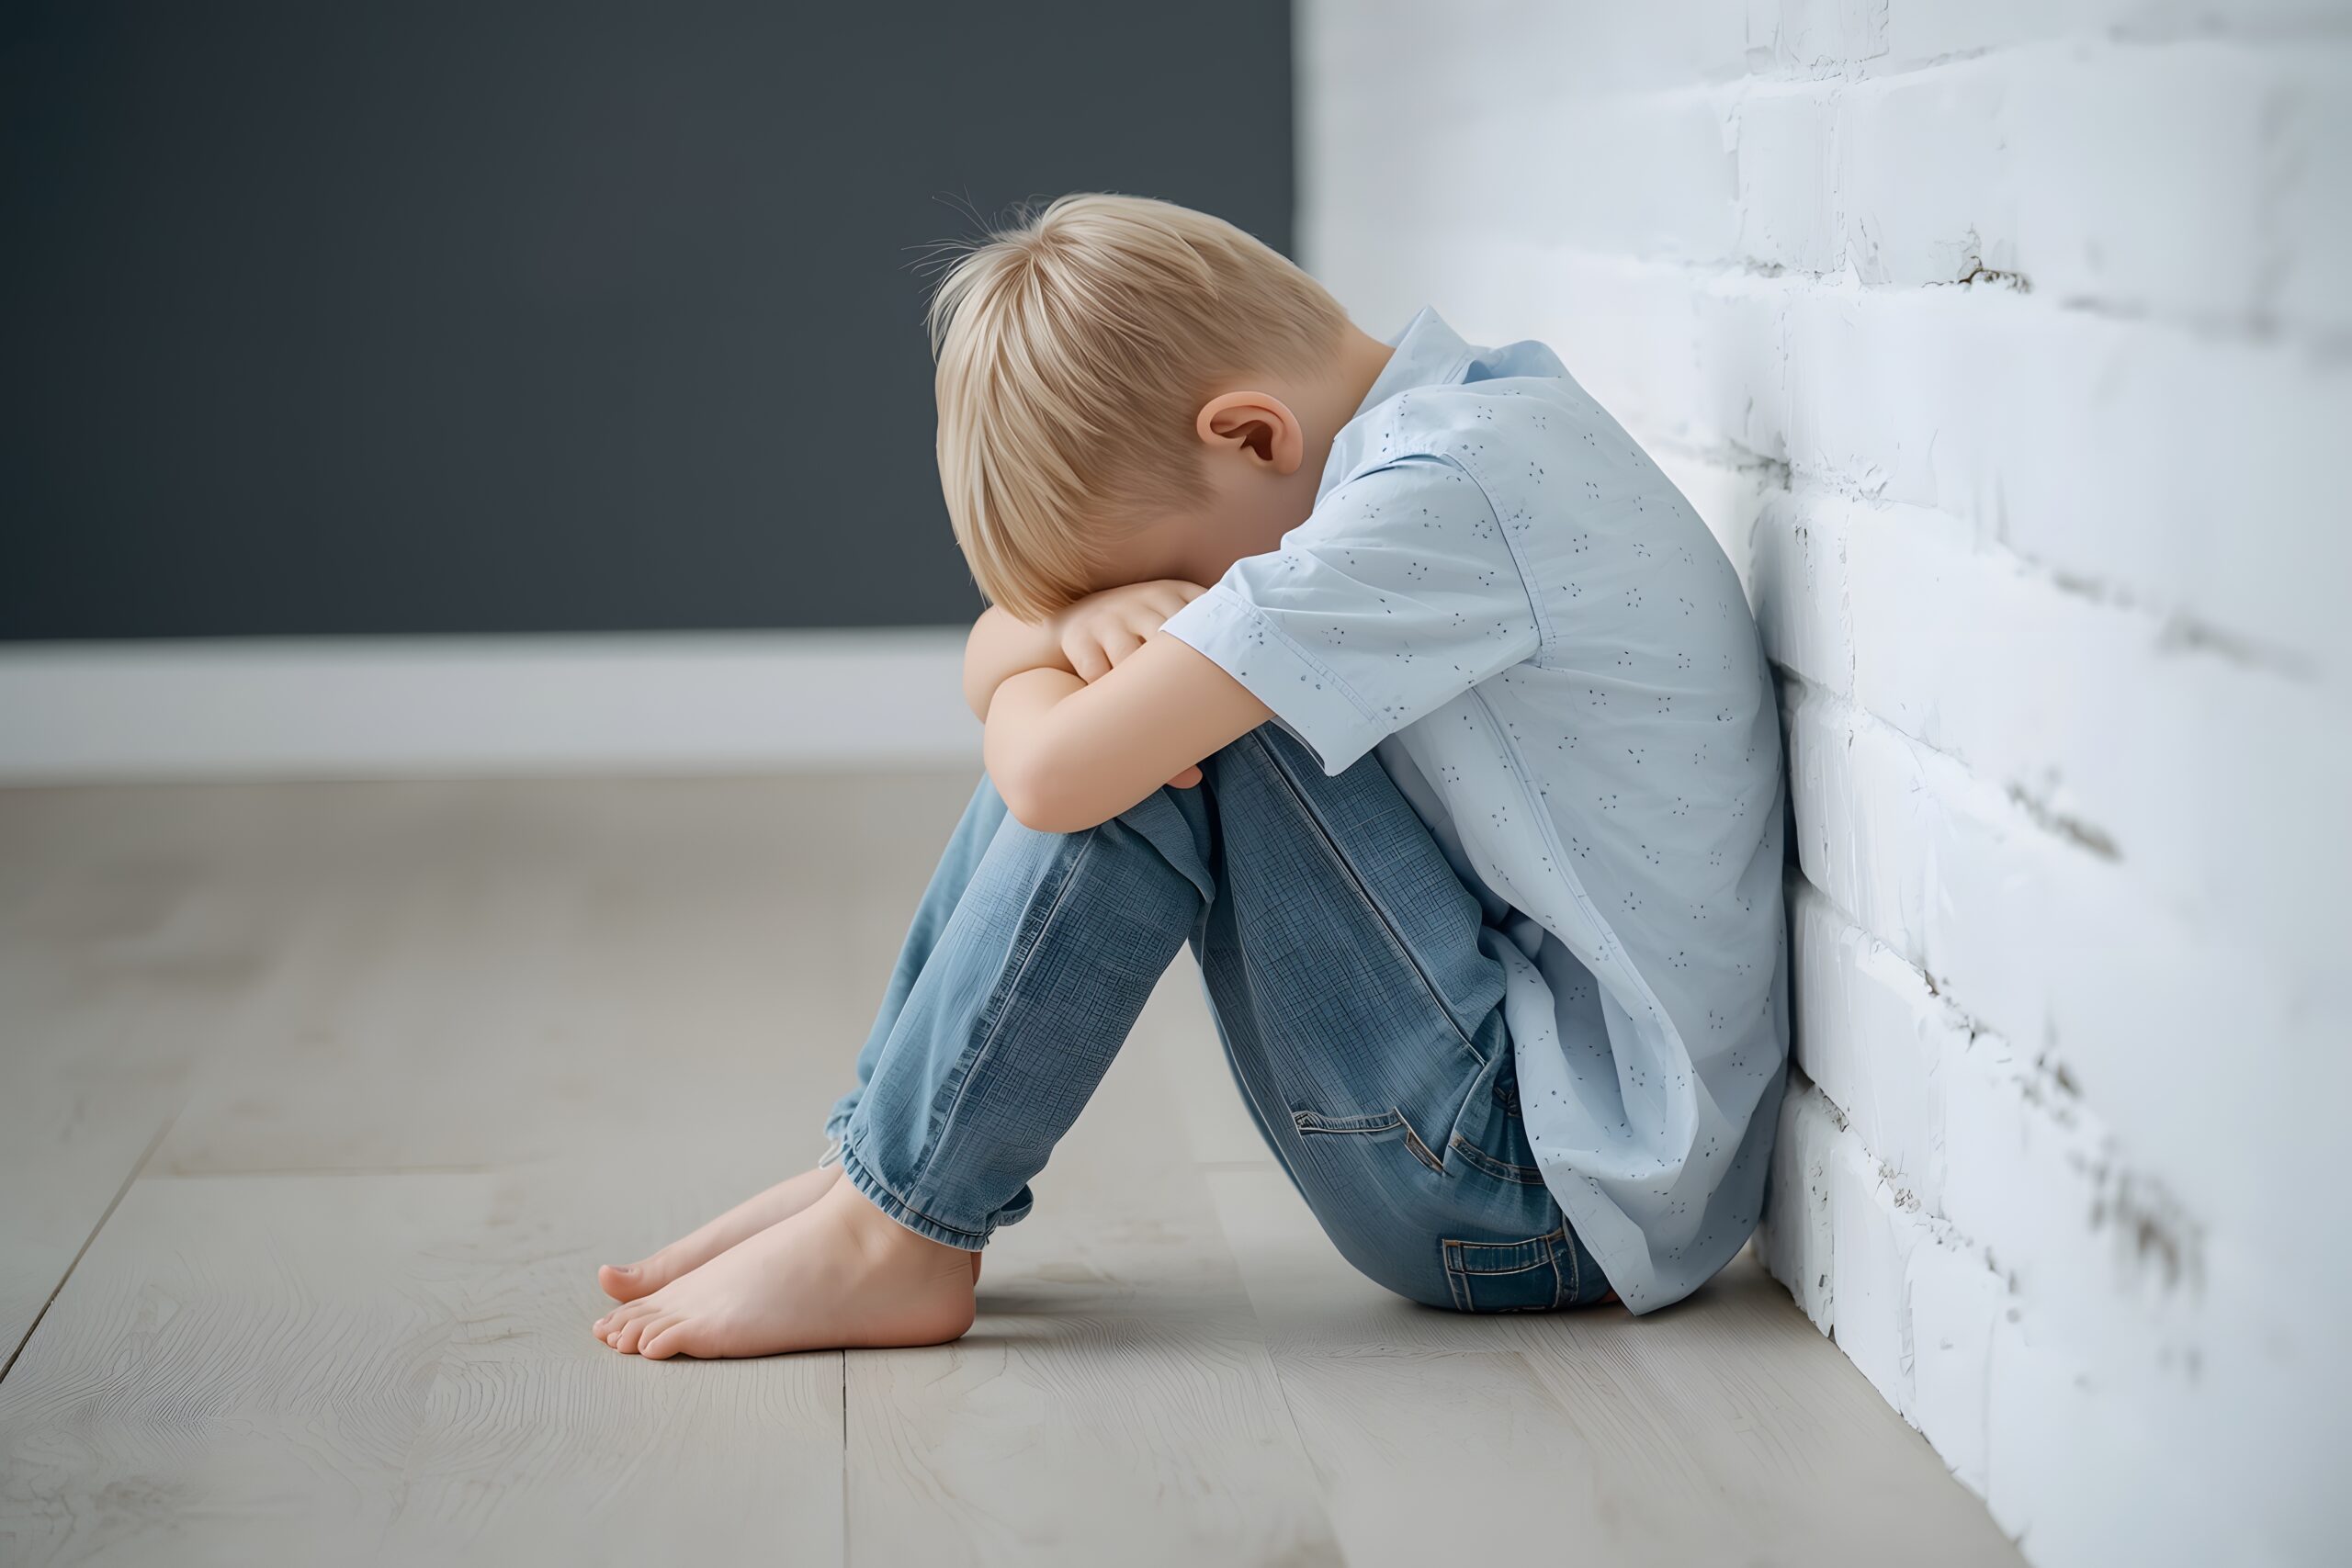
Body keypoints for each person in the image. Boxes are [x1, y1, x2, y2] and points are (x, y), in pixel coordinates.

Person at [592, 194, 1787, 1360]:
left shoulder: (1430, 505)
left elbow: (1056, 776)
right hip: (1564, 1155)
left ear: (1253, 436)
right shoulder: (1478, 412)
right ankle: (874, 1172)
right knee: (1155, 712)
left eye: (1167, 573)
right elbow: (1004, 665)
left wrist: (1068, 671)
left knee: (1178, 738)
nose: (1169, 614)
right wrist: (1077, 633)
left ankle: (895, 1223)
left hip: (1531, 1192)